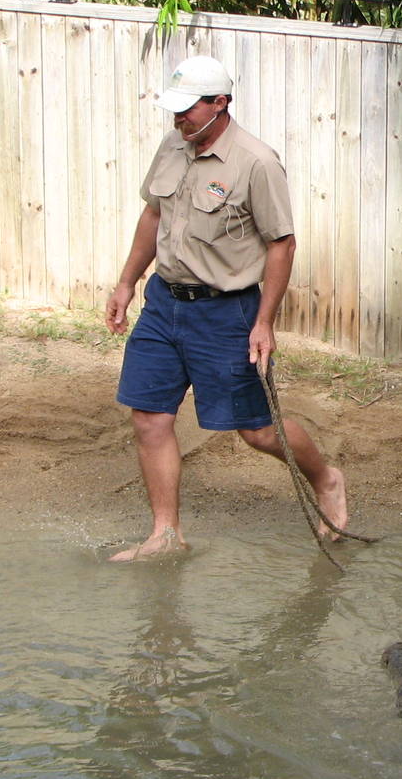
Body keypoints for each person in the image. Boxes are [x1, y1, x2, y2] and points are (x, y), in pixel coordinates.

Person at [103, 54, 348, 561]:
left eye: (189, 110)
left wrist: (264, 323)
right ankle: (165, 533)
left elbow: (282, 244)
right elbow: (154, 213)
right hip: (163, 305)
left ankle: (326, 478)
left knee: (256, 431)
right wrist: (127, 281)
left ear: (221, 103)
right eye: (174, 111)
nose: (179, 120)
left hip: (226, 313)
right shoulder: (174, 144)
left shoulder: (256, 162)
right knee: (149, 417)